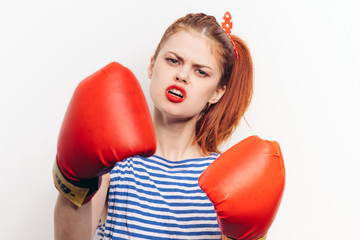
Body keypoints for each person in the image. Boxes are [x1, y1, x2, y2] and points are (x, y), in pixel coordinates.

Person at [54, 12, 285, 240]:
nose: (182, 75)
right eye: (173, 61)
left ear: (217, 92)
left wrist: (249, 237)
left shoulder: (230, 179)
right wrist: (75, 178)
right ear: (152, 65)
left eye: (201, 71)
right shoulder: (114, 165)